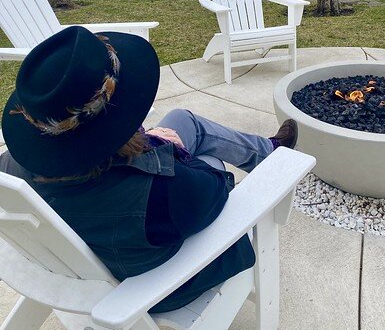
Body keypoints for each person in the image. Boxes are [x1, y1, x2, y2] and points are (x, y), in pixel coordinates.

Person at [0, 26, 297, 313]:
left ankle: (265, 150)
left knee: (184, 119)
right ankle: (270, 156)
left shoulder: (8, 170)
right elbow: (217, 186)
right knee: (209, 160)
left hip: (88, 260)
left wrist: (149, 143)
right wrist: (175, 151)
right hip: (160, 286)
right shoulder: (163, 192)